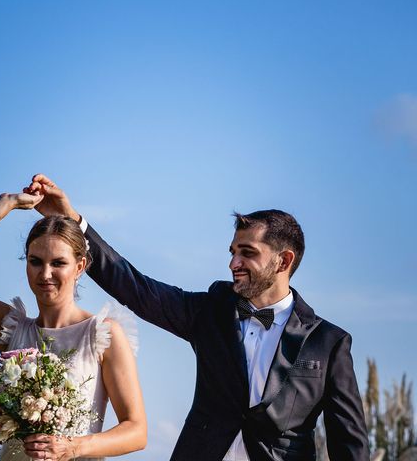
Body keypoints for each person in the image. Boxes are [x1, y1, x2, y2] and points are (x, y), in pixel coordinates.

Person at [24, 174, 370, 461]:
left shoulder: (329, 342)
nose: (234, 263)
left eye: (247, 253)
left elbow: (350, 445)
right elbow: (136, 288)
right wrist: (74, 222)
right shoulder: (210, 312)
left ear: (284, 261)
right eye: (233, 252)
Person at [0, 191, 147, 461]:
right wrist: (5, 204)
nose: (45, 274)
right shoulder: (11, 329)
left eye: (58, 263)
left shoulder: (102, 335)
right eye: (35, 262)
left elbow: (137, 431)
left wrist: (72, 447)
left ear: (80, 266)